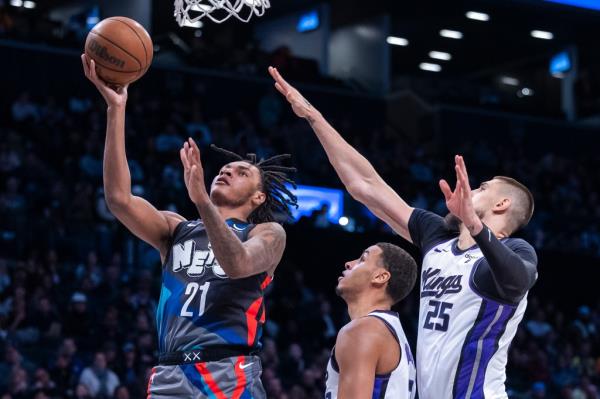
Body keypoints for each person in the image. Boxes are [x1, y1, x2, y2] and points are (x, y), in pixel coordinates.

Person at [270, 66, 538, 399]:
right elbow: (365, 185)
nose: (472, 190)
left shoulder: (517, 251)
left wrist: (475, 225)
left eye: (482, 187)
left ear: (501, 204)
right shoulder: (438, 237)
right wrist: (314, 117)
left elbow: (516, 281)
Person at [82, 55, 298, 398]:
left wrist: (201, 200)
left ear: (258, 198)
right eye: (226, 168)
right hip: (170, 372)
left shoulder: (267, 234)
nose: (227, 171)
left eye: (241, 172)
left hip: (229, 372)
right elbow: (119, 199)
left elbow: (237, 263)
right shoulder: (177, 229)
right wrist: (115, 109)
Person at [325, 243, 417, 399]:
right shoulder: (391, 332)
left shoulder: (362, 330)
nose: (349, 263)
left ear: (380, 277)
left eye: (362, 259)